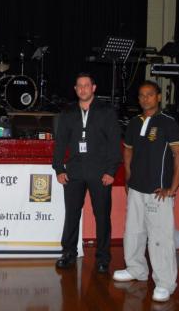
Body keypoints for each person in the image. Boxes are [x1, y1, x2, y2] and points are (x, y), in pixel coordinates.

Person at [113, 80, 179, 303]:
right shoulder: (134, 123)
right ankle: (136, 269)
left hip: (158, 192)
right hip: (136, 189)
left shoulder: (168, 123)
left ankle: (165, 283)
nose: (145, 98)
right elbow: (128, 152)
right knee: (133, 233)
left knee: (160, 239)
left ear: (159, 97)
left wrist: (172, 188)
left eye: (150, 94)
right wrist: (128, 178)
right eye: (142, 95)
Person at [52, 73, 121, 272]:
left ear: (94, 88)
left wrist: (111, 171)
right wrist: (59, 168)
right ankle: (68, 253)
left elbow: (114, 143)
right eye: (79, 86)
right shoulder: (68, 113)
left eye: (86, 85)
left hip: (100, 173)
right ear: (75, 89)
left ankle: (103, 259)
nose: (83, 89)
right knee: (72, 215)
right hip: (74, 172)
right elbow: (60, 143)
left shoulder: (106, 111)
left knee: (102, 216)